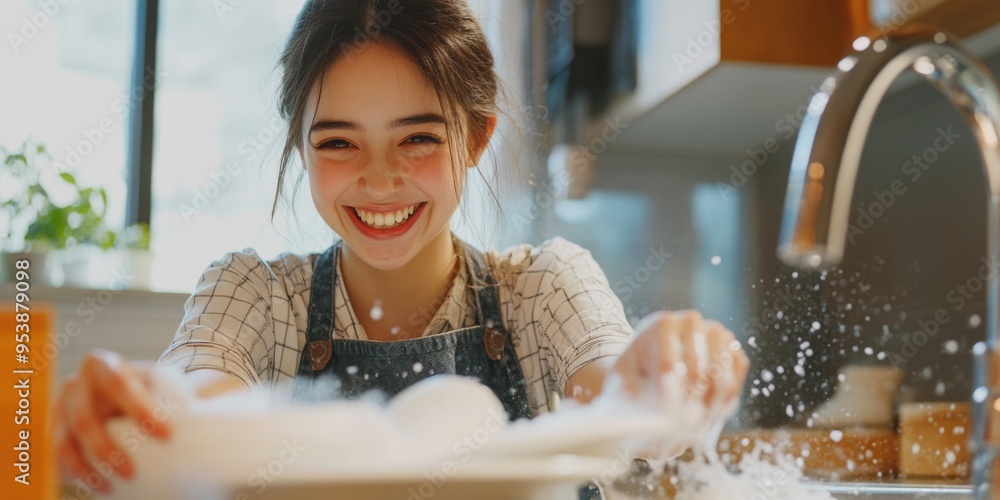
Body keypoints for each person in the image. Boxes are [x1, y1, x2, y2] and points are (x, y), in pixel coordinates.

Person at [54, 0, 749, 493]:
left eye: (417, 138)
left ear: (476, 138)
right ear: (300, 146)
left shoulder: (544, 287)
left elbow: (620, 395)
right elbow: (195, 396)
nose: (379, 179)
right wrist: (141, 404)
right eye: (337, 142)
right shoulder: (254, 294)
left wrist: (666, 370)